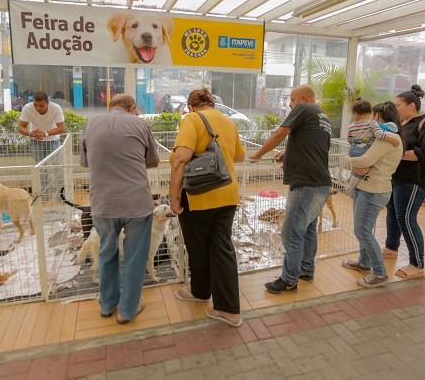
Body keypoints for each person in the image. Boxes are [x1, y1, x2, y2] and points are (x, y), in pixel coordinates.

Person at [79, 94, 159, 324]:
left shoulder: (91, 123)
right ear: (132, 108)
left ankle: (107, 305)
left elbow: (86, 161)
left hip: (103, 203)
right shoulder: (140, 123)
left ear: (111, 106)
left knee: (107, 253)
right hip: (136, 203)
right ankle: (127, 311)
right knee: (135, 258)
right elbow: (153, 161)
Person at [169, 88, 245, 327]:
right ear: (213, 103)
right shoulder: (227, 121)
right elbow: (239, 157)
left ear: (191, 106)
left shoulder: (191, 119)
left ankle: (202, 292)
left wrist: (173, 197)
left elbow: (181, 158)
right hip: (228, 194)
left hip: (199, 194)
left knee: (198, 247)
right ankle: (227, 307)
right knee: (222, 247)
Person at [248, 85, 332, 294]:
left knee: (291, 232)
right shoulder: (323, 117)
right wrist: (288, 153)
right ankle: (306, 269)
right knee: (308, 230)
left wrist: (256, 155)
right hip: (320, 182)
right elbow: (312, 146)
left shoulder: (303, 109)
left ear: (303, 98)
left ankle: (288, 279)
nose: (290, 104)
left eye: (292, 100)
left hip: (306, 185)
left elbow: (279, 133)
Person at [383, 85, 425, 279]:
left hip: (414, 181)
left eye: (398, 105)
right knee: (393, 213)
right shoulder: (401, 124)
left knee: (407, 219)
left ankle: (417, 264)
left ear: (411, 105)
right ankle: (392, 248)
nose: (395, 107)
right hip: (397, 178)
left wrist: (394, 154)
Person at [342, 101, 403, 287]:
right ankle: (364, 262)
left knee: (362, 231)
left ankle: (380, 273)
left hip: (374, 190)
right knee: (362, 229)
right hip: (365, 187)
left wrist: (348, 159)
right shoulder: (382, 136)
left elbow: (364, 161)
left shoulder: (387, 138)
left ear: (376, 117)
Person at [345, 99, 400, 193]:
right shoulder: (372, 124)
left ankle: (350, 178)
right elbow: (380, 135)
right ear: (370, 113)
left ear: (355, 114)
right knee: (362, 170)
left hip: (353, 149)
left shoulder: (352, 126)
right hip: (364, 149)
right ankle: (350, 187)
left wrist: (352, 149)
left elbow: (349, 139)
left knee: (355, 168)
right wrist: (392, 140)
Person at [18, 91, 65, 199]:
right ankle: (43, 197)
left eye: (41, 105)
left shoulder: (55, 108)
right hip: (36, 142)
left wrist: (45, 133)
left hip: (53, 141)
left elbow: (62, 128)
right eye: (35, 105)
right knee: (41, 170)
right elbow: (21, 127)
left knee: (59, 168)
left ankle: (63, 196)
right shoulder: (28, 108)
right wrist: (31, 134)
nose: (38, 108)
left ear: (48, 103)